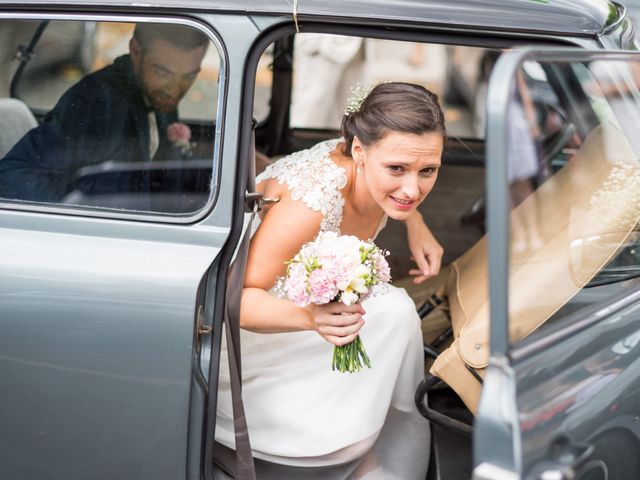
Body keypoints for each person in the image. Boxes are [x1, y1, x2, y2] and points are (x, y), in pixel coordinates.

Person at [215, 82, 445, 479]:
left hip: (312, 314)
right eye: (397, 169)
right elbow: (234, 302)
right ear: (359, 151)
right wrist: (310, 319)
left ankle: (375, 434)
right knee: (393, 311)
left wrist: (415, 223)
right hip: (252, 336)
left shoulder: (370, 163)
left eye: (428, 171)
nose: (412, 188)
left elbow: (404, 189)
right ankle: (361, 448)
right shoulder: (311, 204)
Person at [0, 23, 209, 202]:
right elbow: (14, 174)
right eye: (162, 72)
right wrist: (77, 218)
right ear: (136, 52)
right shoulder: (95, 102)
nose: (175, 90)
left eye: (189, 76)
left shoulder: (161, 94)